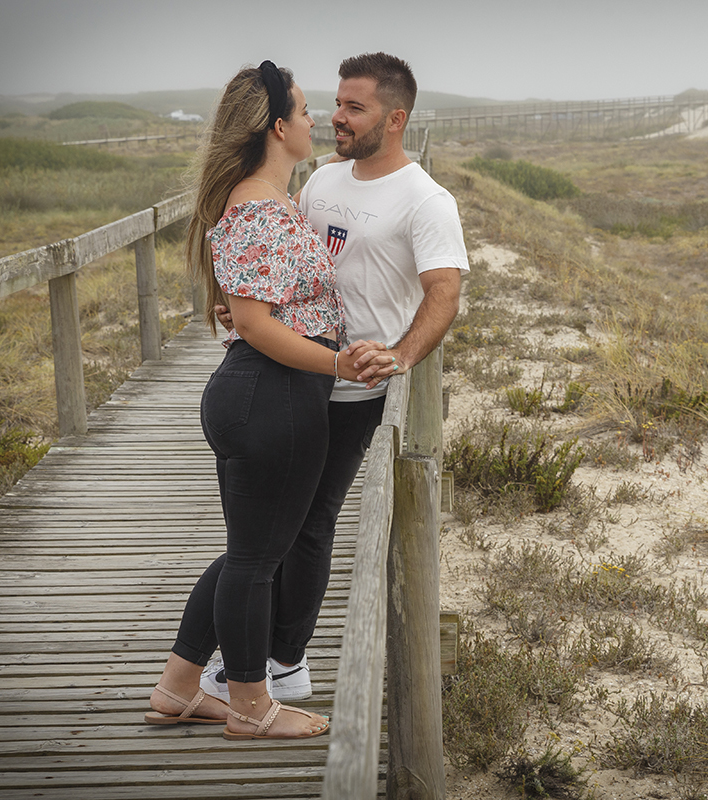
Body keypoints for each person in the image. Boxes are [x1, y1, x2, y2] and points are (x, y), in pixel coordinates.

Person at [204, 52, 467, 703]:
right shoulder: (321, 179)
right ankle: (247, 666)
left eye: (355, 107)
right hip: (291, 378)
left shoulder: (426, 200)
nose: (335, 117)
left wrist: (401, 355)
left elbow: (444, 294)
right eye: (334, 103)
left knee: (307, 523)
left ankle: (280, 662)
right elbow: (277, 255)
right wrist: (240, 301)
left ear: (395, 117)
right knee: (269, 532)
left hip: (352, 389)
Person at [143, 60, 385, 740]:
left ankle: (179, 686)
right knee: (256, 560)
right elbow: (253, 321)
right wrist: (339, 361)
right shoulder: (255, 206)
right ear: (279, 126)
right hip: (268, 396)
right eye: (306, 111)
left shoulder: (273, 201)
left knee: (248, 550)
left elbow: (258, 302)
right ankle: (251, 705)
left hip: (268, 396)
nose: (316, 121)